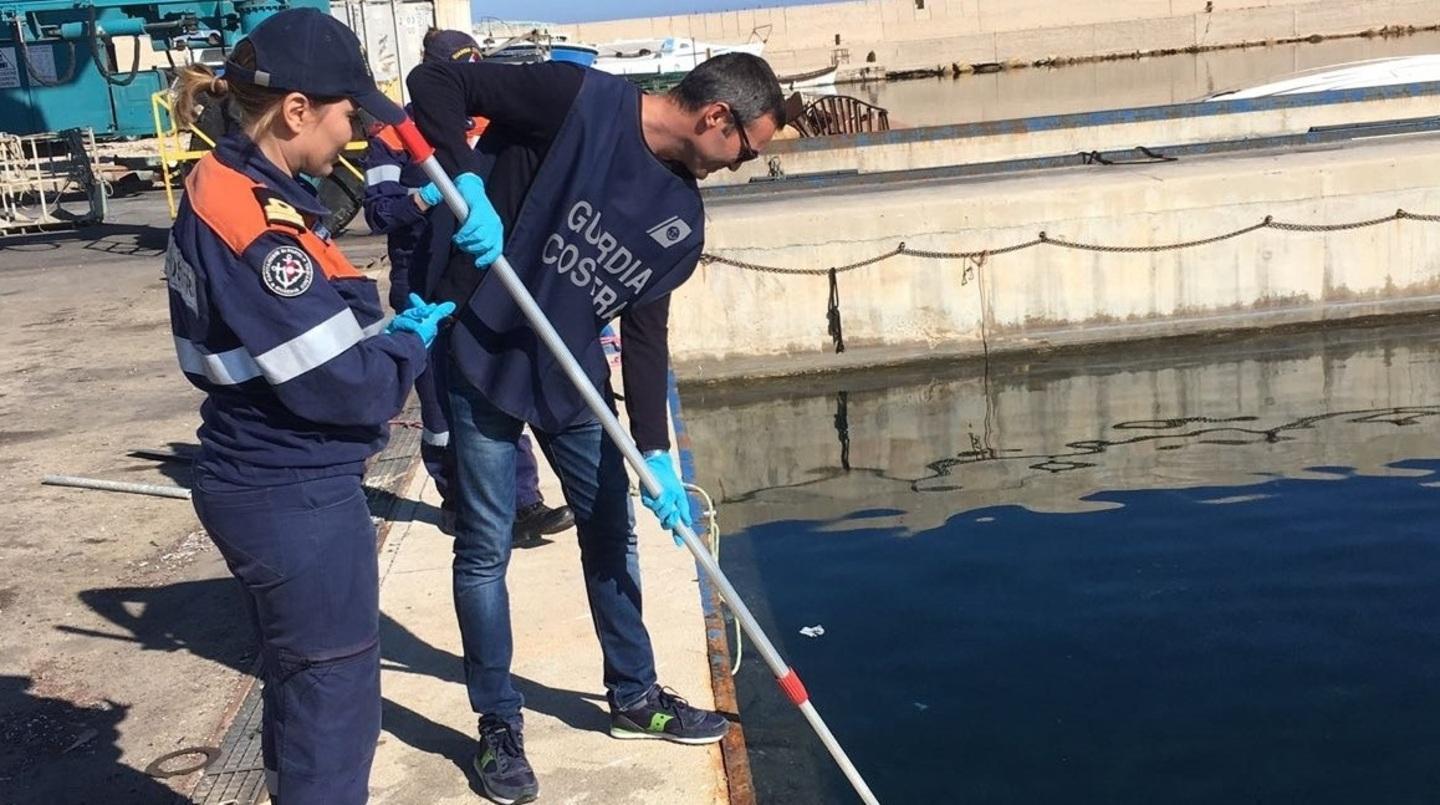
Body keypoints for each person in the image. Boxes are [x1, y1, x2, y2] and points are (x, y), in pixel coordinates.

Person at [407, 52, 784, 803]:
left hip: (571, 376)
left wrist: (654, 453)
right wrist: (466, 179)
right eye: (747, 147)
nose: (743, 163)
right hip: (483, 348)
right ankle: (498, 726)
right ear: (717, 118)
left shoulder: (682, 220)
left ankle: (635, 696)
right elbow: (435, 83)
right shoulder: (576, 97)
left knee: (610, 530)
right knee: (484, 547)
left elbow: (646, 336)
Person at [164, 9, 454, 802]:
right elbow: (345, 386)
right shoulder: (257, 226)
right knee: (333, 698)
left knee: (304, 688)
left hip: (266, 472)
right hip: (290, 487)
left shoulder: (235, 184)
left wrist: (383, 328)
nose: (355, 130)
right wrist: (406, 345)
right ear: (297, 111)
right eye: (347, 114)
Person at [361, 29, 573, 543]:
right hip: (422, 287)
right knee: (438, 411)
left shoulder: (488, 127)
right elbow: (377, 212)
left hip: (479, 282)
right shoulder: (394, 136)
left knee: (495, 392)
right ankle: (455, 497)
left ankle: (523, 505)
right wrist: (430, 196)